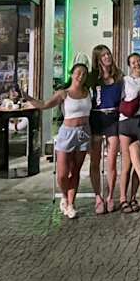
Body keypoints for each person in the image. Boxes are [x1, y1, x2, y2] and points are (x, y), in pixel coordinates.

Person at [23, 63, 90, 219]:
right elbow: (44, 105)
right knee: (62, 174)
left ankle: (71, 204)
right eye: (78, 72)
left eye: (84, 74)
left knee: (76, 171)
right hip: (67, 134)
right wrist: (28, 98)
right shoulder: (63, 94)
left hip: (84, 133)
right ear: (72, 74)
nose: (81, 76)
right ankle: (64, 196)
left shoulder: (88, 92)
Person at [87, 44, 123, 215]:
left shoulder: (119, 76)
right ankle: (97, 197)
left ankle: (110, 196)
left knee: (112, 161)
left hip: (113, 118)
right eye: (103, 55)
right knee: (95, 161)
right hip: (96, 118)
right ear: (98, 59)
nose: (107, 57)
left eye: (108, 54)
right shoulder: (92, 78)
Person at [117, 52, 140, 214]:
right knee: (127, 164)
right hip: (126, 122)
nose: (137, 64)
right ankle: (122, 199)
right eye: (133, 62)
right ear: (129, 65)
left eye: (139, 60)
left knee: (137, 163)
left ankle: (133, 197)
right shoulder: (125, 80)